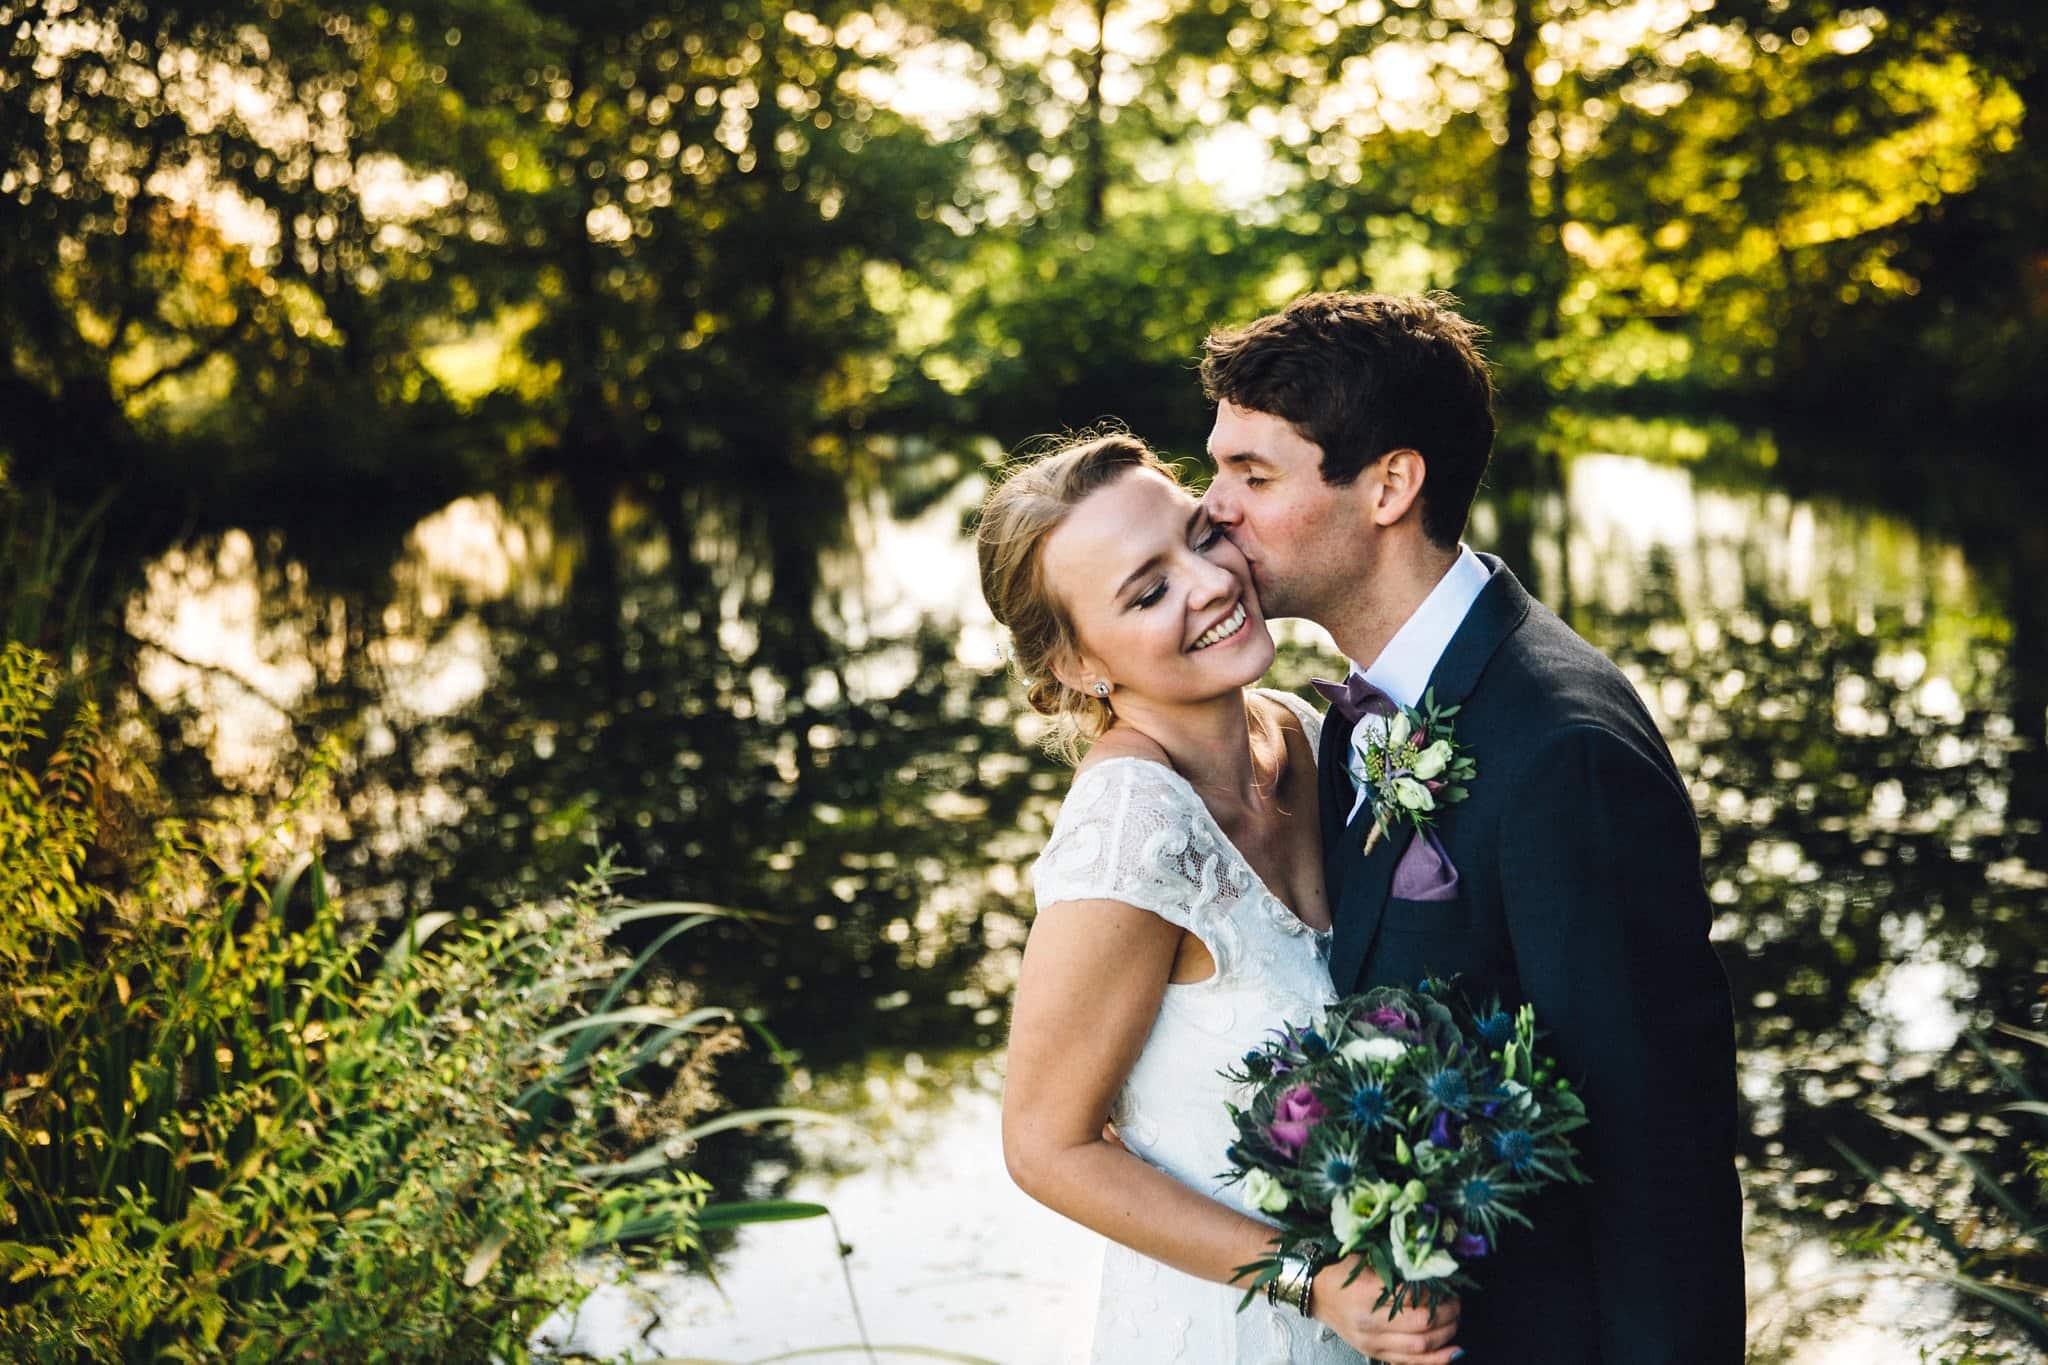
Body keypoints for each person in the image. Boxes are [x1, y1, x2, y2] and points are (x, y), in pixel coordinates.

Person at [1198, 291, 1747, 1363]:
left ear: (1389, 486)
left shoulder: (1560, 751)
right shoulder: (1364, 713)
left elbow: (1656, 1153)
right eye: (1216, 468)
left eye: (1252, 477)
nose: (1210, 509)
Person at [980, 432, 1464, 1363]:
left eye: (1201, 537)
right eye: (1147, 591)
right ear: (1081, 666)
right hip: (1232, 1332)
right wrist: (1308, 1280)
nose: (1206, 584)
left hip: (1380, 1318)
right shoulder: (1130, 833)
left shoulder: (1315, 736)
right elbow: (1047, 1147)